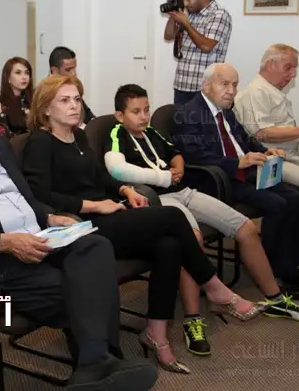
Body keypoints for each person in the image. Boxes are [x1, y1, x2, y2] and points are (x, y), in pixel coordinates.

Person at [0, 80, 158, 391]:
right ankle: (101, 365)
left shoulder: (0, 146)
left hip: (40, 238)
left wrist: (50, 217)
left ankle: (94, 366)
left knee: (96, 248)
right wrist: (5, 243)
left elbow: (24, 199)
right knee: (83, 286)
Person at [21, 74, 264, 373]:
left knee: (169, 245)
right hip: (79, 226)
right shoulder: (40, 142)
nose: (74, 106)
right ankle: (214, 287)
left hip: (107, 212)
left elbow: (99, 177)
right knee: (172, 216)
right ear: (46, 108)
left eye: (77, 99)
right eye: (65, 100)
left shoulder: (78, 137)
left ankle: (156, 334)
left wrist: (125, 190)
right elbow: (40, 196)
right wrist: (95, 205)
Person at [104, 84, 299, 352]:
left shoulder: (151, 132)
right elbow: (117, 170)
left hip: (184, 191)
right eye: (136, 112)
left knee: (246, 227)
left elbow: (175, 153)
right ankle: (193, 320)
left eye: (146, 110)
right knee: (192, 239)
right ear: (120, 115)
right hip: (158, 200)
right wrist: (164, 177)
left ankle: (275, 298)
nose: (144, 116)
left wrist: (178, 169)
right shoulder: (116, 134)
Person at [174, 63, 299, 292]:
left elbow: (245, 140)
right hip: (218, 180)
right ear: (206, 85)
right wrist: (238, 162)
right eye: (224, 84)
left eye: (235, 85)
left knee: (295, 197)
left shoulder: (225, 109)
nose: (231, 91)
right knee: (277, 203)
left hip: (245, 173)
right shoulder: (187, 114)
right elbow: (194, 156)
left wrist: (266, 151)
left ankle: (298, 269)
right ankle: (273, 272)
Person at [234, 44, 299, 228]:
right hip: (270, 161)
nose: (293, 74)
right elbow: (262, 133)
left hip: (293, 157)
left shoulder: (271, 91)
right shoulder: (255, 92)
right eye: (288, 67)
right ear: (270, 64)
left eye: (294, 68)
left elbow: (281, 129)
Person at [163, 0, 232, 106]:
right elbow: (168, 36)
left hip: (205, 88)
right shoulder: (188, 14)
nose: (186, 3)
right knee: (181, 119)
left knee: (203, 120)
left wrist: (186, 24)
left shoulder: (218, 15)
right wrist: (174, 14)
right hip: (182, 84)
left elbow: (206, 46)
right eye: (183, 0)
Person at [48, 46, 95, 124]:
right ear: (54, 71)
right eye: (68, 70)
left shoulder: (72, 88)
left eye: (74, 68)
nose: (74, 73)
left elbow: (89, 117)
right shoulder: (43, 92)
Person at [0, 57, 33, 138]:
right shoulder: (0, 107)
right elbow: (2, 140)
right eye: (18, 73)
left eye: (27, 73)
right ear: (8, 78)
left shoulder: (33, 101)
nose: (24, 77)